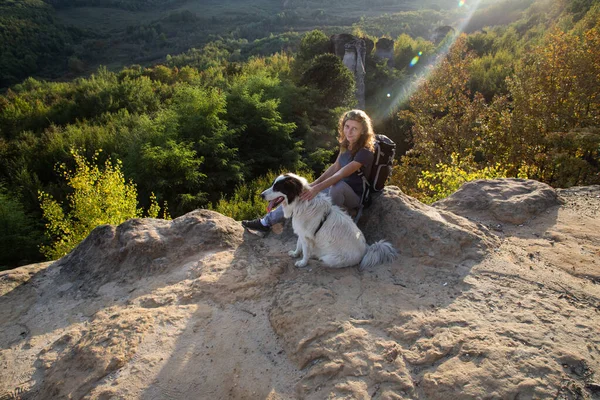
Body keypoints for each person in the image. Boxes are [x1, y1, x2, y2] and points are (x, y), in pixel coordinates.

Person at [242, 109, 375, 232]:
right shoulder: (347, 144)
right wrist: (312, 185)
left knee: (336, 187)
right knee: (300, 192)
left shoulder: (365, 152)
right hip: (336, 188)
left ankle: (331, 225)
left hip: (355, 196)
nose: (349, 132)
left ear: (363, 131)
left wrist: (316, 189)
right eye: (347, 127)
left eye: (354, 129)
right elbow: (335, 167)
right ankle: (265, 222)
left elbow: (340, 174)